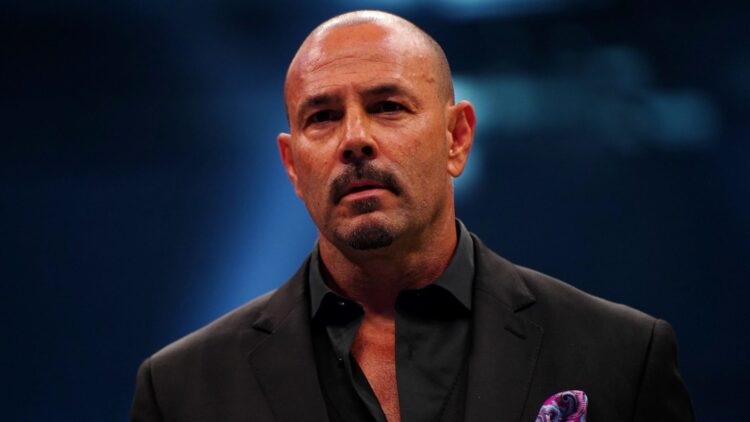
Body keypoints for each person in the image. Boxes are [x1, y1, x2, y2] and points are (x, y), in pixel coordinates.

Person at [131, 10, 694, 422]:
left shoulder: (620, 357)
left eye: (387, 107)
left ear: (457, 137)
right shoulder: (181, 390)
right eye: (323, 116)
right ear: (292, 166)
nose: (354, 138)